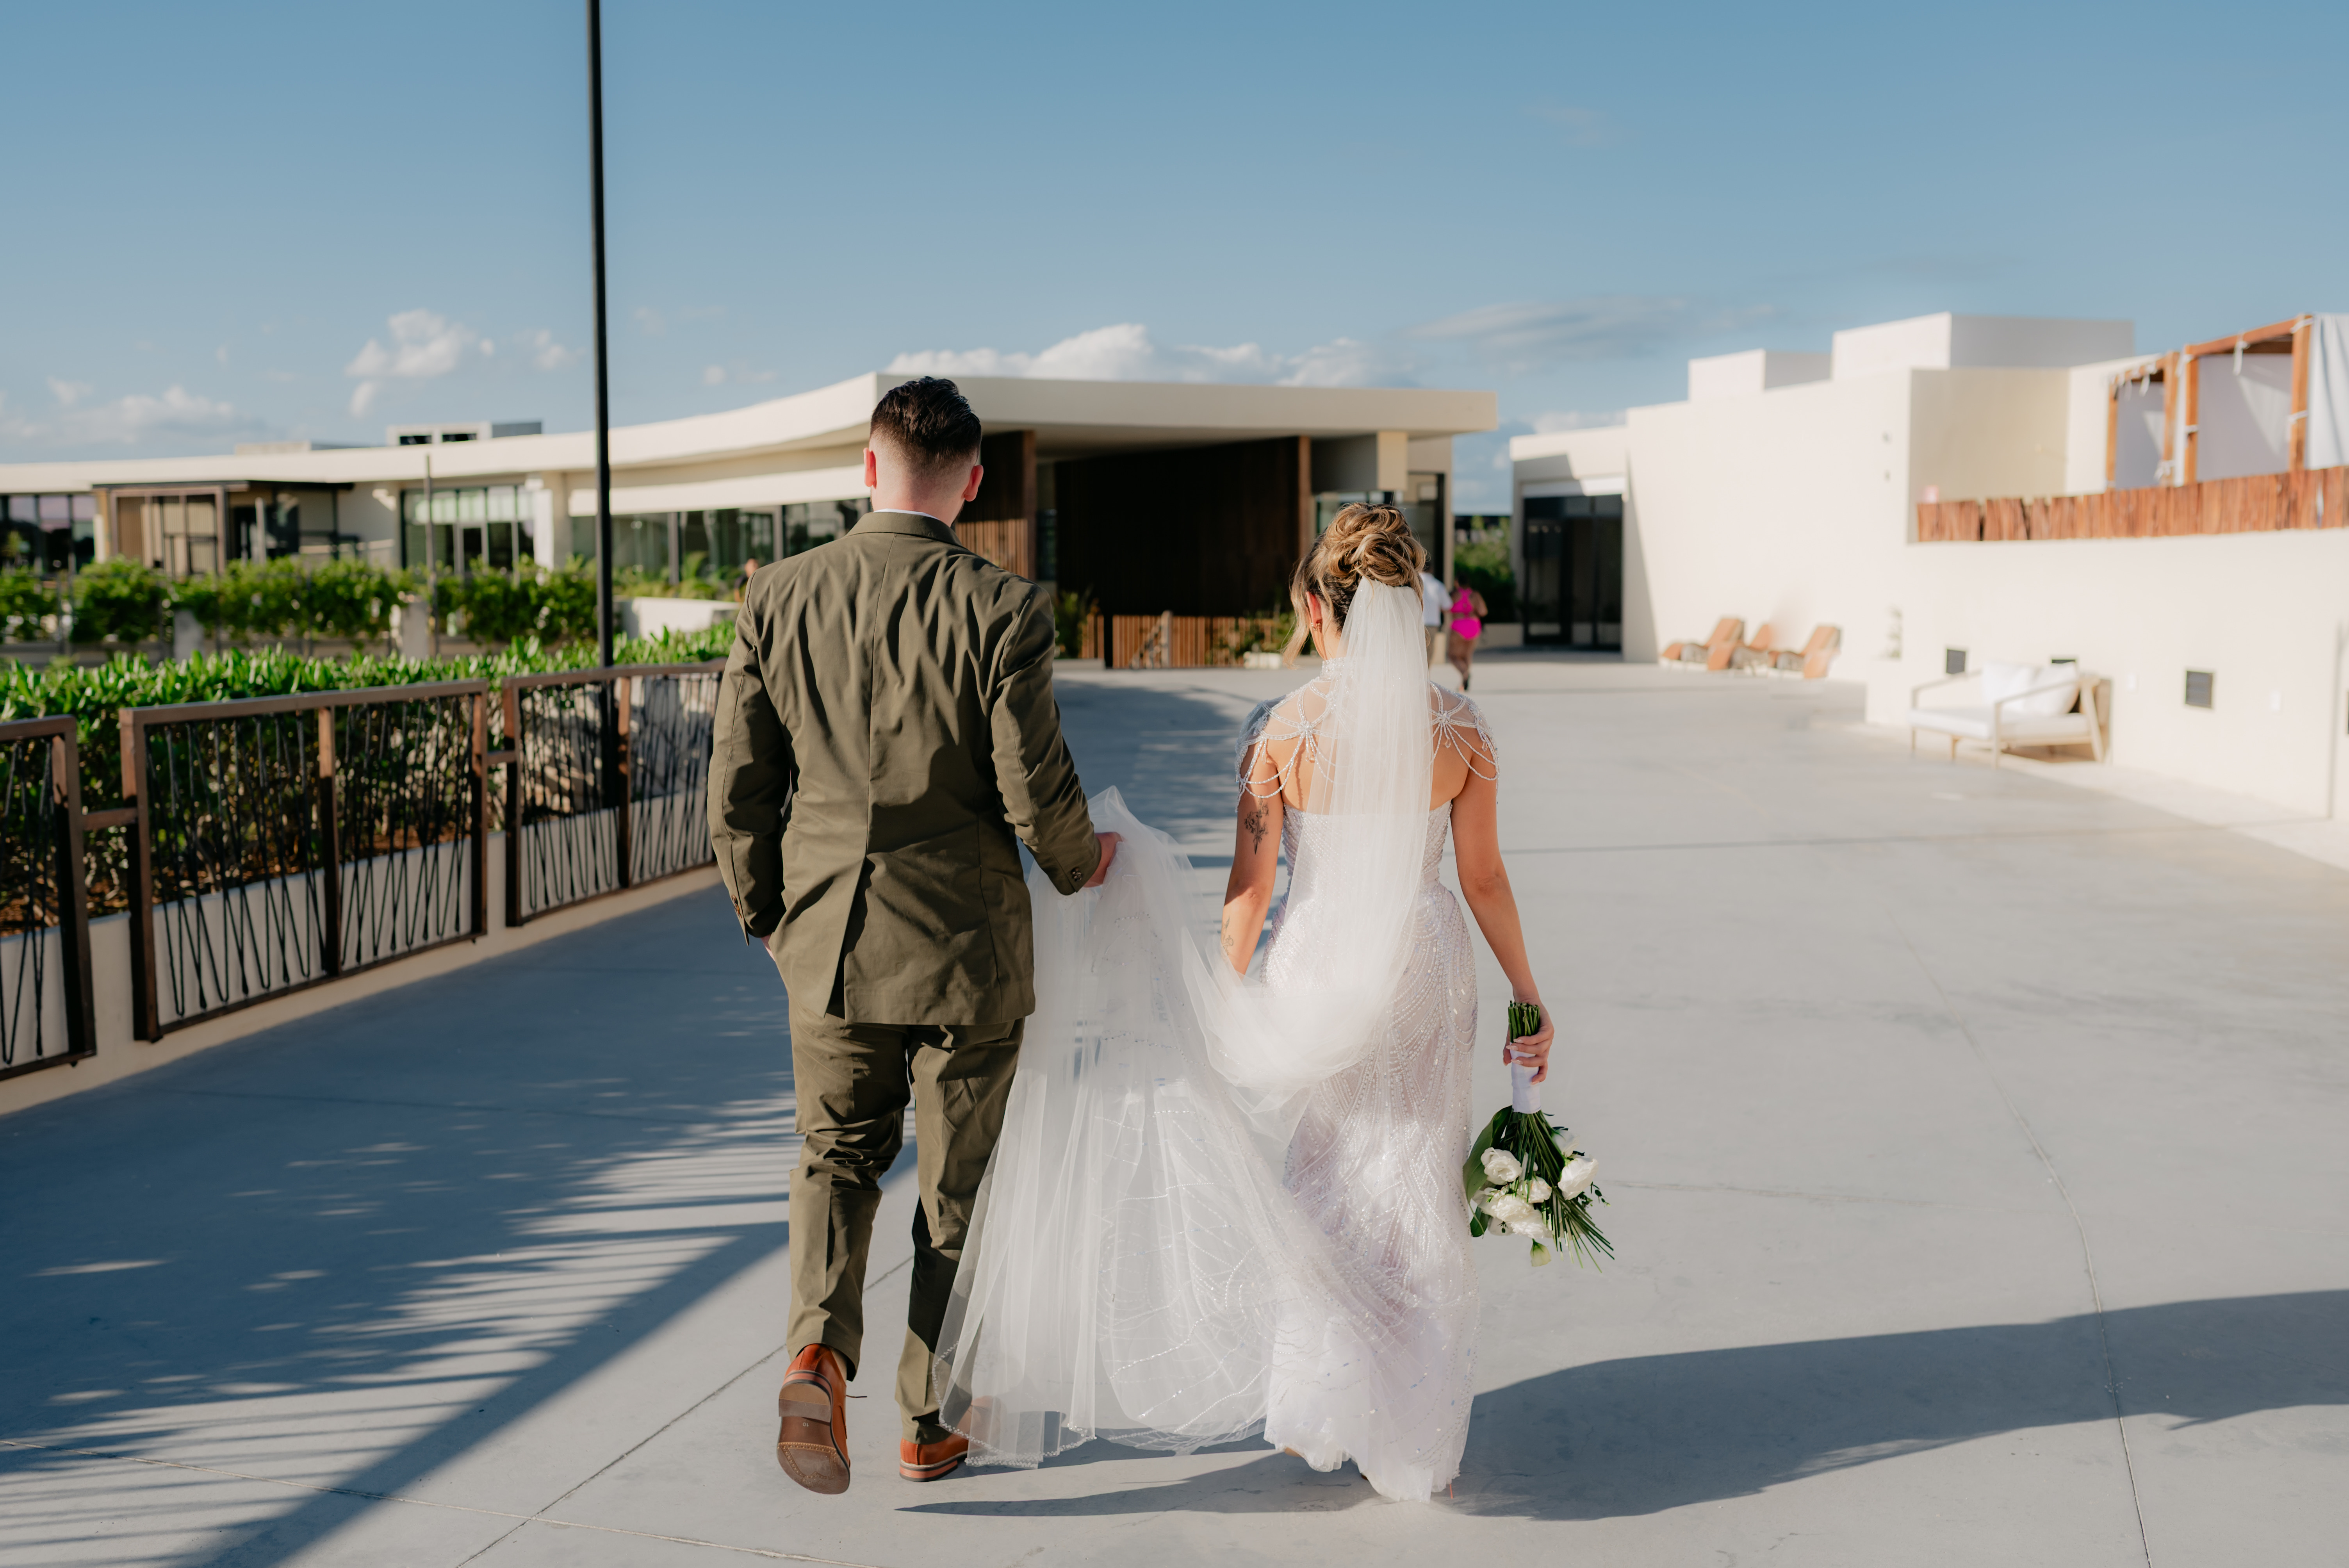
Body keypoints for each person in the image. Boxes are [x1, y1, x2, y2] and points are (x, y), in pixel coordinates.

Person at [934, 503, 1553, 1502]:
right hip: (1429, 963)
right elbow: (1481, 877)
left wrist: (1219, 999)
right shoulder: (1459, 727)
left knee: (1328, 1175)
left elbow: (1251, 894)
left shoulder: (1284, 733)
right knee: (1415, 1175)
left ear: (1316, 606)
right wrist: (1528, 993)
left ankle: (1326, 1402)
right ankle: (1411, 1424)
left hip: (1318, 964)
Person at [707, 376, 1118, 1497]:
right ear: (973, 483)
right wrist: (1087, 867)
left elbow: (736, 786)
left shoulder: (779, 597)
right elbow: (1034, 793)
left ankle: (813, 1354)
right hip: (966, 950)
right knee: (959, 1184)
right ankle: (926, 1417)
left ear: (868, 465)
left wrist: (769, 915)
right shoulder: (1003, 606)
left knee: (835, 1156)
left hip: (829, 941)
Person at [1447, 579, 1487, 690]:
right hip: (1474, 625)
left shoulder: (1454, 594)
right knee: (1467, 656)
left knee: (1453, 656)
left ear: (1456, 582)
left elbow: (1446, 608)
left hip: (1459, 626)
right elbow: (1483, 612)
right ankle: (1463, 683)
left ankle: (1465, 673)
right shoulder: (1475, 595)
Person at [1418, 563, 1447, 667]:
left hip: (1415, 622)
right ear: (1431, 570)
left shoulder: (1413, 583)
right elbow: (1447, 606)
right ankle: (1425, 678)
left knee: (1415, 652)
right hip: (1432, 623)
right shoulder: (1438, 585)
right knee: (1428, 654)